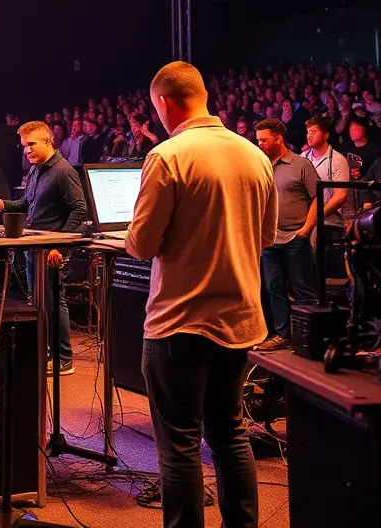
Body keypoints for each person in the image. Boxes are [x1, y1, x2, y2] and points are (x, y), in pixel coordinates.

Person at [127, 61, 277, 528]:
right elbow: (267, 236)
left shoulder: (169, 155)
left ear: (165, 103)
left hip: (180, 322)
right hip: (240, 320)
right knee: (230, 433)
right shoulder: (255, 155)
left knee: (180, 445)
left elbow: (143, 244)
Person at [0, 120, 87, 376]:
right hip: (34, 249)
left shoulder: (63, 171)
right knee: (42, 303)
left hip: (51, 251)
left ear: (47, 142)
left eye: (31, 144)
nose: (26, 150)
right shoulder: (35, 170)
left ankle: (63, 358)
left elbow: (80, 209)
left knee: (53, 302)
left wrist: (60, 246)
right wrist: (2, 205)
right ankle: (49, 353)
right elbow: (26, 204)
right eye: (23, 146)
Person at [254, 119, 318, 351]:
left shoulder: (301, 164)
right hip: (269, 239)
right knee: (273, 288)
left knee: (302, 289)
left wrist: (306, 229)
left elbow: (317, 198)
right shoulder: (261, 165)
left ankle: (309, 338)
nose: (259, 144)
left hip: (295, 236)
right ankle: (282, 335)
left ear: (278, 138)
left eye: (263, 140)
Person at [304, 116, 350, 276]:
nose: (309, 135)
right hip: (302, 220)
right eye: (307, 132)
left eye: (314, 131)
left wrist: (317, 216)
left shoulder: (337, 160)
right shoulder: (302, 159)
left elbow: (340, 195)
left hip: (328, 222)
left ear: (325, 135)